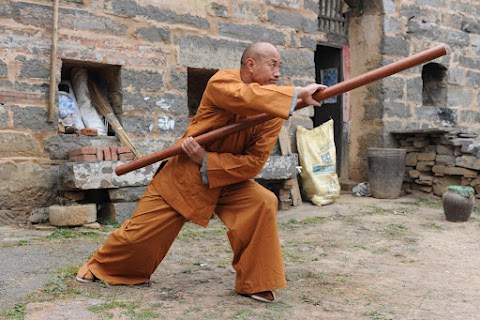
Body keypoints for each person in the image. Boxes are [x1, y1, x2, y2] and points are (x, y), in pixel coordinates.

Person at [76, 41, 326, 303]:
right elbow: (245, 98)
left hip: (227, 179)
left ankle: (256, 281)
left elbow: (253, 163)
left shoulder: (274, 112)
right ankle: (102, 267)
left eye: (280, 67)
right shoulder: (222, 82)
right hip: (184, 175)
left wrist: (206, 158)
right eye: (272, 65)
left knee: (262, 202)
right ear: (250, 65)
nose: (277, 73)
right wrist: (296, 93)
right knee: (140, 235)